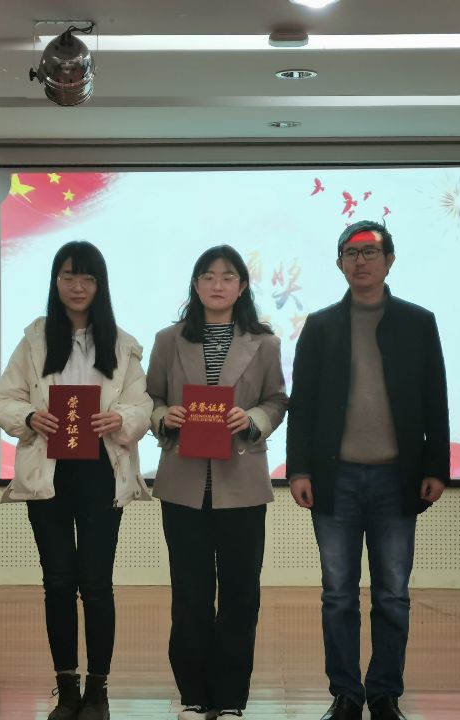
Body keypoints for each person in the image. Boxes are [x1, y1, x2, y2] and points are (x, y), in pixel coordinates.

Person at [286, 221, 450, 720]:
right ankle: (345, 693)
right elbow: (302, 404)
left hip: (396, 479)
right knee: (338, 595)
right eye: (351, 253)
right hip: (334, 480)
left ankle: (384, 693)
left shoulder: (418, 322)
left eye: (371, 252)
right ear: (339, 263)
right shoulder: (320, 326)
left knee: (393, 595)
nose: (361, 261)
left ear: (389, 260)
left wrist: (437, 466)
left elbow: (435, 399)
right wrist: (298, 470)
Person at [0, 241, 153, 720]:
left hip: (102, 471)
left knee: (96, 583)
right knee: (58, 581)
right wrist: (29, 416)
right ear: (55, 282)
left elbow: (143, 406)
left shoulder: (122, 344)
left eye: (87, 278)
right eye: (68, 276)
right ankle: (66, 689)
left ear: (100, 285)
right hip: (50, 472)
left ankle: (98, 691)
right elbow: (3, 399)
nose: (77, 286)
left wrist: (120, 418)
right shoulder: (35, 340)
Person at [146, 245, 288, 720]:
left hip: (241, 481)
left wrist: (253, 419)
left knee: (240, 595)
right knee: (189, 594)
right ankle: (193, 695)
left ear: (242, 286)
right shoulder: (169, 340)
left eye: (228, 277)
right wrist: (164, 416)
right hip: (183, 483)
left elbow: (276, 400)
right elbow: (150, 399)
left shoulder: (264, 342)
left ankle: (229, 700)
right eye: (207, 276)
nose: (217, 285)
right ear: (195, 284)